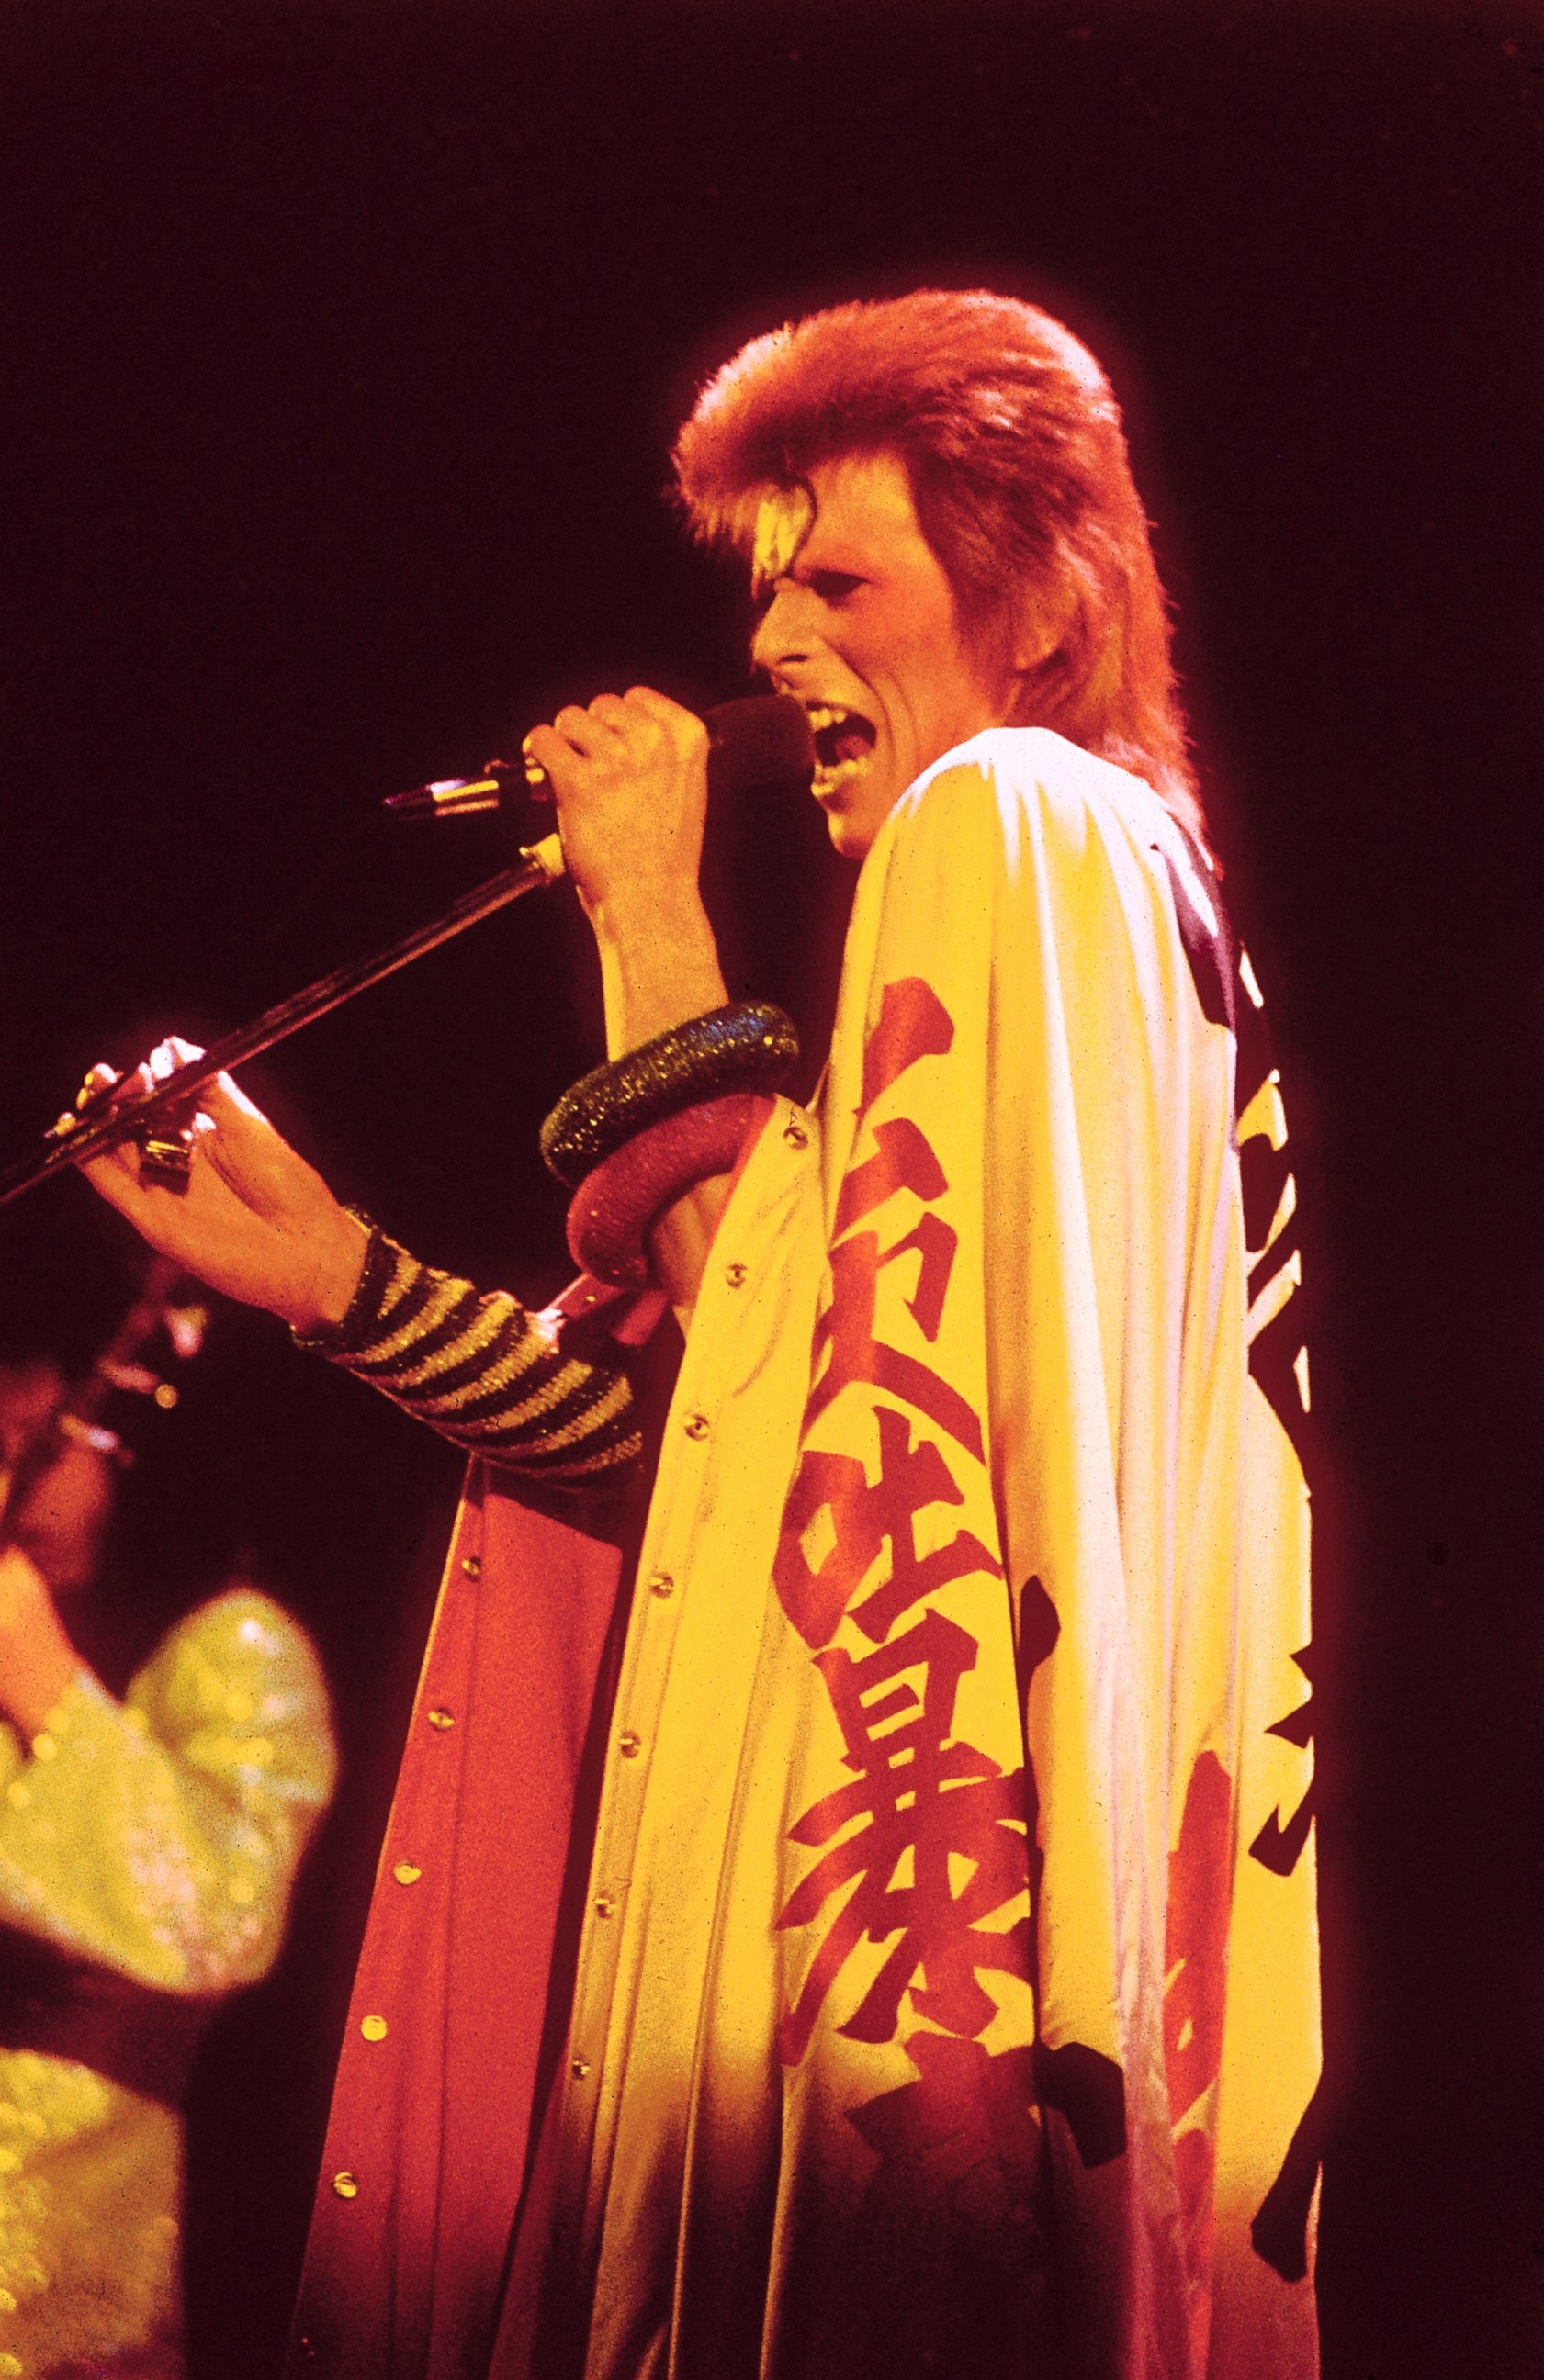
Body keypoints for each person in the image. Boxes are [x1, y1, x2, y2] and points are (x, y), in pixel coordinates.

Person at [76, 289, 1321, 2379]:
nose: (766, 643)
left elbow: (840, 1454)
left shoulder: (1003, 821)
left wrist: (646, 914)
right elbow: (752, 1458)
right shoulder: (1121, 904)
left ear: (1035, 610)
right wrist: (348, 1286)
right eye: (765, 590)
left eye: (838, 577)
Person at [0, 1276, 337, 2379]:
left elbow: (225, 1918)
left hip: (78, 2284)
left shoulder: (230, 1647)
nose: (12, 1485)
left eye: (40, 1444)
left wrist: (42, 1677)